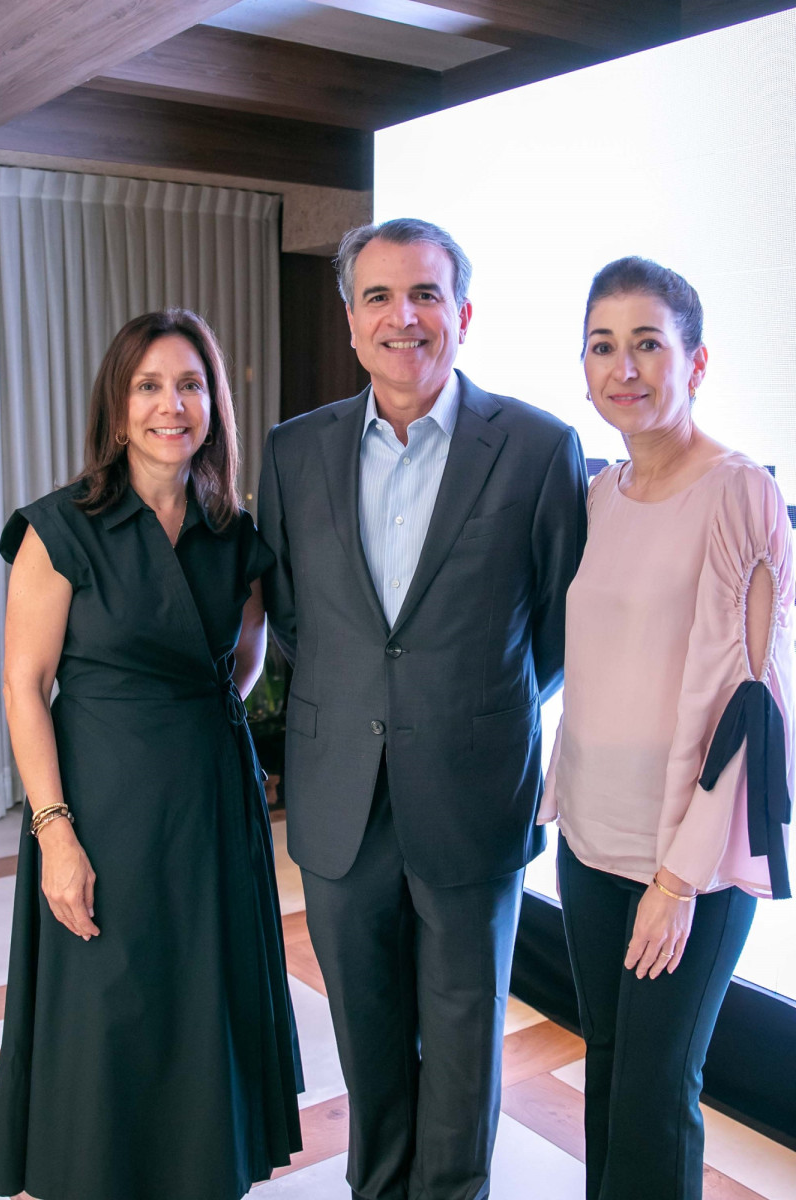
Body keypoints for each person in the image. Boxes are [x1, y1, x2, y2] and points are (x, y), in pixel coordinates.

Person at [258, 217, 588, 1200]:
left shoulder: (535, 447)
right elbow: (291, 615)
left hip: (470, 791)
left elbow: (560, 626)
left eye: (425, 294)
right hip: (337, 798)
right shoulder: (291, 451)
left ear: (464, 312)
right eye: (378, 297)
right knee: (366, 1039)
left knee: (459, 1041)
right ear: (351, 323)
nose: (402, 316)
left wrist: (467, 711)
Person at [0, 310, 303, 1200]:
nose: (173, 405)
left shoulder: (232, 532)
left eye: (192, 385)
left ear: (214, 404)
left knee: (201, 1011)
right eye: (150, 386)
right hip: (104, 810)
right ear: (118, 405)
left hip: (210, 809)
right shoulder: (61, 529)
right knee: (110, 1015)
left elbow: (241, 668)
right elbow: (24, 685)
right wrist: (53, 834)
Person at [539, 257, 794, 1200]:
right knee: (610, 1069)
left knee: (654, 1092)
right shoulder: (599, 494)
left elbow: (751, 715)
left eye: (649, 342)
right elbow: (596, 669)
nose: (625, 367)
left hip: (685, 863)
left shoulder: (739, 493)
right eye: (603, 346)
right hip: (591, 842)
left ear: (696, 361)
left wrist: (678, 880)